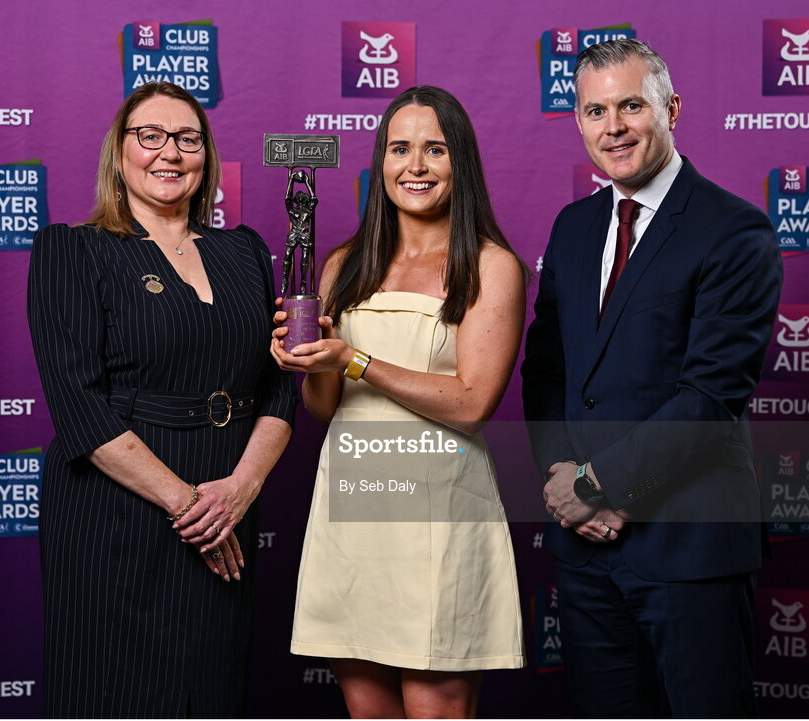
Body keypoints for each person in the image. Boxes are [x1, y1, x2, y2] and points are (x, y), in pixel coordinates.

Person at [521, 40, 782, 717]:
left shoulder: (734, 231)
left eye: (631, 105)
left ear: (671, 108)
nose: (613, 127)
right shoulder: (574, 228)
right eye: (594, 110)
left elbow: (710, 396)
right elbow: (547, 369)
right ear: (577, 121)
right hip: (586, 552)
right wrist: (562, 473)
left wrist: (595, 485)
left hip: (690, 543)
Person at [27, 81, 295, 718]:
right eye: (149, 136)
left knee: (211, 687)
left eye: (187, 138)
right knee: (114, 689)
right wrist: (187, 505)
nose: (169, 152)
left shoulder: (247, 252)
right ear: (119, 153)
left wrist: (240, 489)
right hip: (117, 509)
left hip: (226, 501)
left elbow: (281, 384)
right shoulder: (73, 249)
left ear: (206, 156)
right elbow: (77, 403)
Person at [271, 86, 526, 718]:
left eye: (434, 149)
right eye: (400, 148)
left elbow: (472, 403)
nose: (415, 165)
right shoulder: (342, 265)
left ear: (459, 162)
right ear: (380, 161)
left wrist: (353, 359)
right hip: (355, 515)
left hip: (437, 516)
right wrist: (308, 362)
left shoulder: (489, 266)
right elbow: (328, 408)